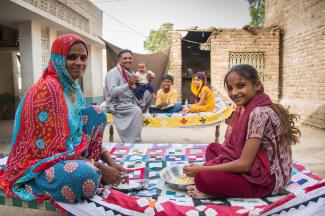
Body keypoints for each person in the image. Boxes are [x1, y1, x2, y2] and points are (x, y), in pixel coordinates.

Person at [0, 34, 126, 203]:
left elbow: (78, 133)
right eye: (71, 57)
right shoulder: (49, 90)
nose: (79, 63)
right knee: (84, 178)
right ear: (58, 59)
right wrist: (100, 168)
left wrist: (109, 161)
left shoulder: (73, 88)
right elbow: (53, 151)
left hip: (68, 153)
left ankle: (90, 166)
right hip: (41, 163)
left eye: (83, 58)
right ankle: (36, 183)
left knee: (97, 113)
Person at [183, 64, 301, 198]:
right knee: (213, 148)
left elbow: (244, 164)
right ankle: (221, 182)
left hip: (269, 179)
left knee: (203, 179)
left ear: (257, 85)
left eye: (241, 86)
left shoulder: (259, 113)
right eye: (230, 88)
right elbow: (235, 149)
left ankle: (215, 191)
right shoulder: (246, 108)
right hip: (256, 162)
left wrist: (203, 169)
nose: (233, 92)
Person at [105, 49, 151, 142]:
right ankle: (133, 141)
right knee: (136, 111)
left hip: (131, 101)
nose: (128, 60)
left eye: (130, 58)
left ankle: (141, 110)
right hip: (118, 104)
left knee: (148, 93)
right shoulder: (113, 73)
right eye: (125, 58)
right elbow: (112, 92)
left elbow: (139, 87)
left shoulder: (131, 73)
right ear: (119, 60)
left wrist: (148, 81)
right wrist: (128, 85)